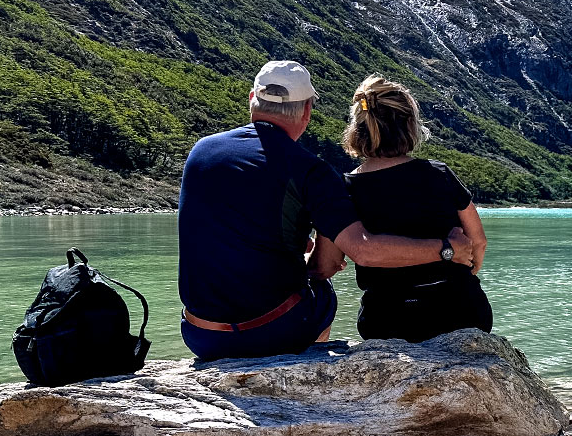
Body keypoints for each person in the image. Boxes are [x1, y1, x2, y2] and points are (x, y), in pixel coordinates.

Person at [176, 60, 475, 361]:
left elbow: (232, 223)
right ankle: (305, 369)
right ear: (306, 111)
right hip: (270, 335)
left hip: (200, 336)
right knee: (321, 285)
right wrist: (446, 249)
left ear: (252, 99)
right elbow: (361, 253)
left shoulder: (201, 151)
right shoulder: (310, 171)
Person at [326, 74, 493, 342]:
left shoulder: (345, 188)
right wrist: (462, 267)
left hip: (386, 319)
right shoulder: (439, 174)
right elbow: (478, 242)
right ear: (409, 127)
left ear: (358, 129)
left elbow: (330, 263)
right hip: (461, 310)